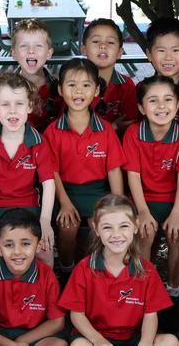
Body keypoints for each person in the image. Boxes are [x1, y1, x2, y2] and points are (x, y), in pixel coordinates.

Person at [58, 195, 178, 346]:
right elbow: (76, 315)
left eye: (124, 226)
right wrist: (99, 341)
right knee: (79, 345)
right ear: (96, 229)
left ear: (135, 226)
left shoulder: (146, 270)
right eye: (107, 227)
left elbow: (150, 315)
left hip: (134, 337)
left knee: (170, 341)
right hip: (97, 337)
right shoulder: (84, 268)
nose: (116, 234)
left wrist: (145, 343)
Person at [43, 58, 126, 276]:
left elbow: (114, 170)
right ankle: (68, 271)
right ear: (60, 89)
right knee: (68, 225)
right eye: (71, 85)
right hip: (65, 192)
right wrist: (65, 203)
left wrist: (117, 205)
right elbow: (52, 173)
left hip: (97, 192)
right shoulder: (53, 131)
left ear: (97, 90)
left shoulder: (105, 130)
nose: (78, 91)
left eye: (86, 85)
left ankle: (96, 273)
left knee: (103, 225)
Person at [0, 73, 56, 275]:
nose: (12, 111)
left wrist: (45, 220)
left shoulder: (37, 141)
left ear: (29, 107)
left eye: (19, 104)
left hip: (29, 207)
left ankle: (45, 292)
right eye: (5, 104)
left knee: (45, 252)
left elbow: (48, 183)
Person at [123, 75, 179, 300]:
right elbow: (133, 175)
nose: (161, 106)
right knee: (145, 231)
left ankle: (173, 290)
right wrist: (142, 211)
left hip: (173, 201)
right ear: (142, 108)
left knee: (176, 233)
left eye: (168, 100)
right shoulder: (133, 134)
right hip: (143, 199)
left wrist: (176, 214)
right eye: (153, 101)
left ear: (177, 105)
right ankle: (143, 290)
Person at [0, 208, 67, 346]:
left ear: (38, 246)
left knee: (58, 344)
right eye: (9, 245)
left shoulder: (46, 275)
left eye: (26, 244)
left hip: (35, 336)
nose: (17, 252)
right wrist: (9, 344)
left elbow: (57, 322)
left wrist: (22, 342)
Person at [80, 18, 139, 133]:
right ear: (84, 49)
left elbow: (130, 124)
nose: (103, 46)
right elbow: (70, 126)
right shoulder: (73, 84)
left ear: (119, 52)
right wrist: (112, 127)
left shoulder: (126, 85)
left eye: (110, 42)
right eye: (96, 41)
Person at [10, 18, 59, 132]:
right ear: (14, 53)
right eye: (24, 46)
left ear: (49, 53)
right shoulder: (4, 89)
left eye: (38, 45)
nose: (31, 51)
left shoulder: (59, 89)